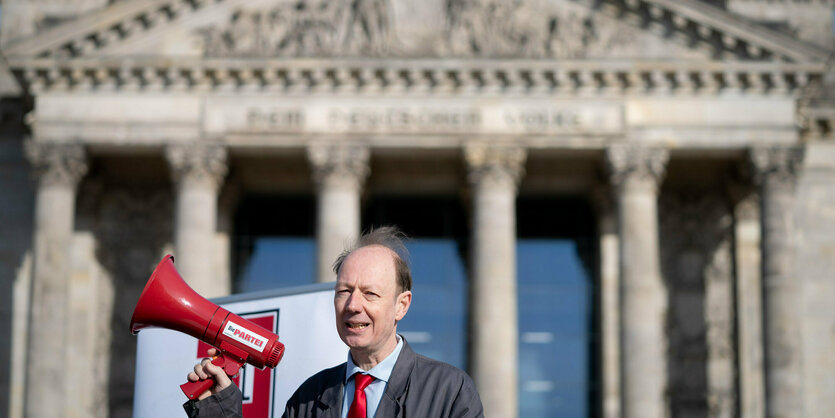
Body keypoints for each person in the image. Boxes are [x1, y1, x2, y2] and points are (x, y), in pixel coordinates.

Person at [185, 226, 484, 418]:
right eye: (344, 292)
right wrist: (218, 409)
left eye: (370, 294)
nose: (354, 306)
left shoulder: (450, 391)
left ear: (401, 305)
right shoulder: (307, 398)